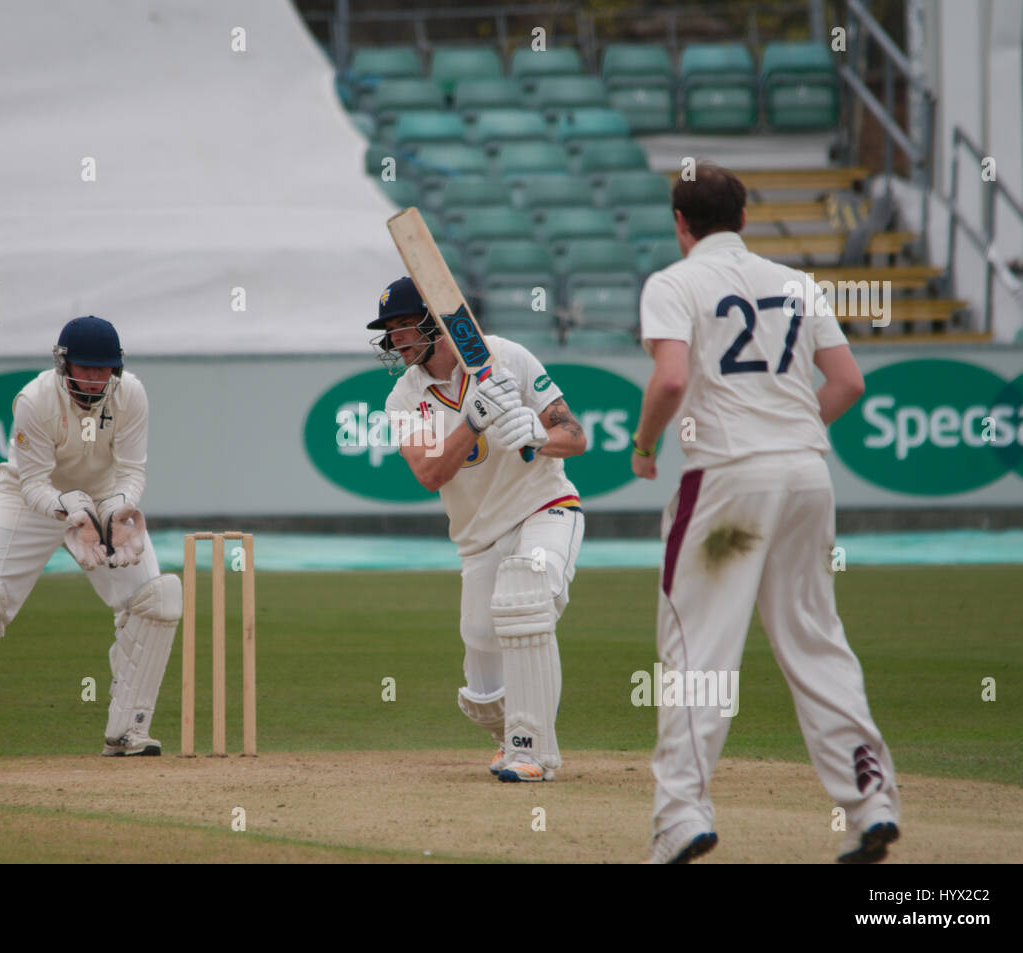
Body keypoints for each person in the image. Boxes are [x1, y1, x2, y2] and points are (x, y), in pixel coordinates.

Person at [632, 162, 900, 863]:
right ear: (745, 218)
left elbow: (669, 378)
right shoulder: (797, 283)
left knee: (700, 644)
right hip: (808, 475)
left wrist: (644, 443)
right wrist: (786, 433)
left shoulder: (673, 282)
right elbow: (847, 381)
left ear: (681, 224)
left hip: (727, 483)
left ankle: (682, 814)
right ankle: (870, 798)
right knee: (816, 635)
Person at [0, 316, 182, 760]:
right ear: (63, 364)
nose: (95, 379)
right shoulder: (34, 400)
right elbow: (34, 481)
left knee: (158, 600)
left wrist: (117, 510)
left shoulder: (130, 392)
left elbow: (132, 470)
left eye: (104, 369)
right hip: (28, 500)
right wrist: (69, 510)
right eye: (85, 368)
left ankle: (129, 730)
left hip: (102, 497)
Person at [368, 277, 587, 781]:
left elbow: (574, 435)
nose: (395, 339)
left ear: (436, 321)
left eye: (404, 326)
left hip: (545, 507)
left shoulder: (507, 358)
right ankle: (508, 735)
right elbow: (429, 474)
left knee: (526, 599)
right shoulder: (403, 400)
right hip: (477, 537)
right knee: (483, 673)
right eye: (390, 330)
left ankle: (532, 752)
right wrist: (475, 420)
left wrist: (539, 435)